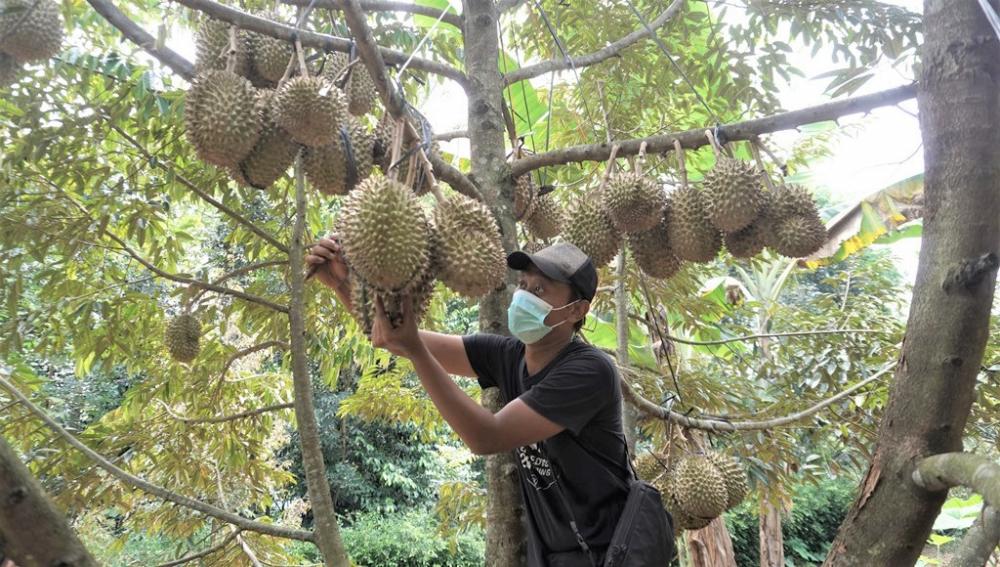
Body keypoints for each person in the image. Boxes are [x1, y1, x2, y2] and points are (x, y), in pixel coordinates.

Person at [307, 239, 630, 566]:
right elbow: (399, 338)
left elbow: (486, 436)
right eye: (524, 285)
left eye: (541, 290)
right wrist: (341, 285)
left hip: (611, 554)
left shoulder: (589, 371)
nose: (525, 296)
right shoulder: (507, 355)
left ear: (577, 310)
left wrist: (415, 349)